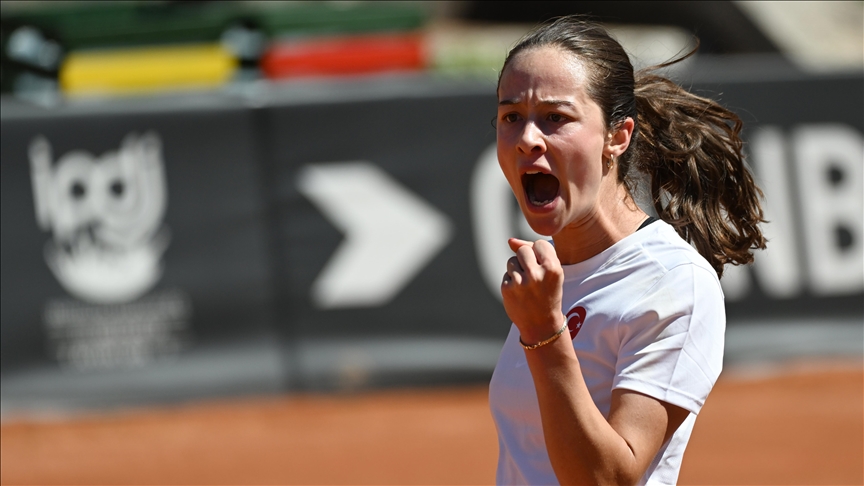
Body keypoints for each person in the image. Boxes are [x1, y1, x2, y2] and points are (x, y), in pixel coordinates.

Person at [488, 16, 766, 486]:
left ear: (618, 137)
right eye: (511, 117)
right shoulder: (556, 277)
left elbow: (610, 479)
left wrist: (544, 334)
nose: (527, 139)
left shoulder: (673, 280)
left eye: (555, 117)